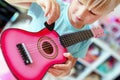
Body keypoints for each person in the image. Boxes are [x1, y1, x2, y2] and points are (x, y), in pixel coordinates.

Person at [5, 0, 120, 79]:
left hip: (32, 74)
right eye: (80, 2)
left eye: (93, 12)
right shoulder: (53, 5)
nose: (81, 14)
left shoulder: (85, 38)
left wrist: (66, 71)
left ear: (106, 13)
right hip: (9, 53)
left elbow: (70, 63)